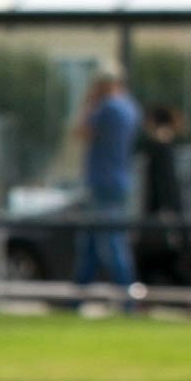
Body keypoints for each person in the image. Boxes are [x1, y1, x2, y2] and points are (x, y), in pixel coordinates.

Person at [75, 70, 141, 298]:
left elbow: (81, 132)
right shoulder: (130, 108)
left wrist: (89, 103)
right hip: (119, 181)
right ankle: (79, 296)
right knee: (92, 243)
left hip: (104, 183)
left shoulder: (107, 108)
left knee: (113, 243)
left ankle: (127, 298)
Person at [138, 102, 186, 285]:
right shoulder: (165, 147)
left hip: (158, 213)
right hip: (164, 213)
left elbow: (161, 185)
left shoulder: (157, 147)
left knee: (158, 260)